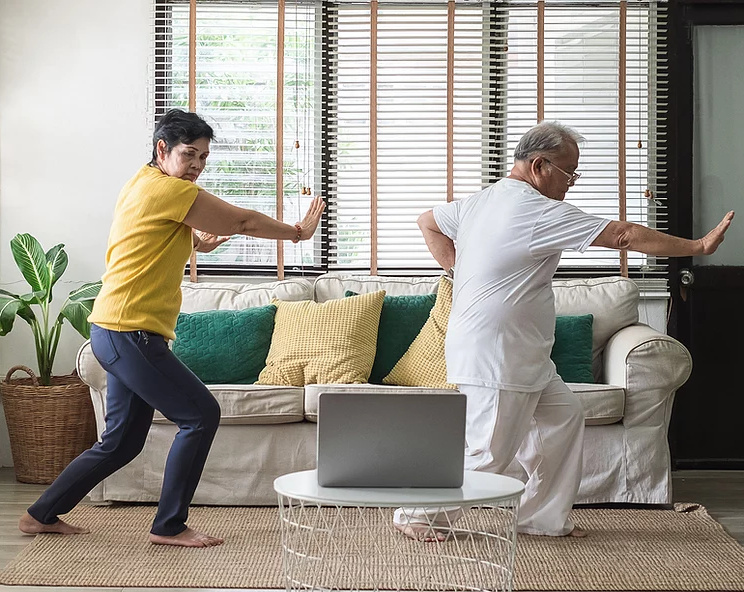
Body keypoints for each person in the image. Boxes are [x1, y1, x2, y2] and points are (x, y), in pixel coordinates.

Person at [395, 120, 734, 541]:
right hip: (499, 353)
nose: (572, 183)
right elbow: (623, 235)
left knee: (562, 420)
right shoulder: (535, 211)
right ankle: (417, 514)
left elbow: (428, 221)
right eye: (569, 173)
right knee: (489, 453)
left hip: (524, 353)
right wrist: (697, 247)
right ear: (539, 165)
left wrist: (458, 269)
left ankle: (540, 518)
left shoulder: (482, 201)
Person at [18, 108, 325, 548]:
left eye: (203, 157)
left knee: (122, 441)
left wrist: (198, 243)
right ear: (162, 149)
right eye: (189, 154)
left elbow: (146, 235)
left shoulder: (143, 183)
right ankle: (169, 526)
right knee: (201, 415)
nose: (197, 165)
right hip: (130, 333)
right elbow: (242, 220)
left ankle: (40, 514)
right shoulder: (166, 189)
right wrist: (298, 233)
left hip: (114, 330)